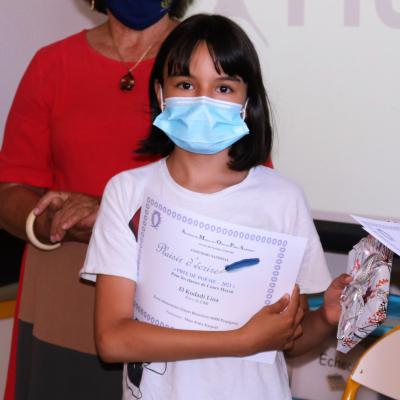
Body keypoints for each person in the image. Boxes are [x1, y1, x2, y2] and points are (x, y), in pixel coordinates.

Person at [81, 14, 351, 400]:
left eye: (223, 87)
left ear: (247, 101)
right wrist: (239, 340)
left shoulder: (282, 198)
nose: (203, 100)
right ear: (160, 93)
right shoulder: (129, 192)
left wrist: (326, 317)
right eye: (186, 84)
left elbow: (289, 340)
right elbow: (112, 339)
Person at [0, 1, 193, 398]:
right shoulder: (52, 63)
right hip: (63, 294)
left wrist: (112, 217)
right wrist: (53, 222)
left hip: (175, 299)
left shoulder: (208, 61)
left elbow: (245, 192)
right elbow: (10, 191)